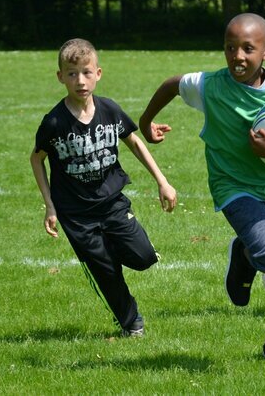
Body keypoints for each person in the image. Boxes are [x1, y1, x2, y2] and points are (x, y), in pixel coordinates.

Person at [139, 13, 265, 358]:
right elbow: (171, 84)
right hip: (233, 188)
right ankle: (244, 253)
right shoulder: (211, 85)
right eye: (230, 48)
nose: (237, 56)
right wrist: (146, 121)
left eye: (247, 49)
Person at [30, 38, 177, 337]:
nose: (80, 80)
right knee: (107, 273)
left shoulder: (109, 110)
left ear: (98, 73)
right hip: (76, 213)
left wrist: (162, 181)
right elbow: (37, 159)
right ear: (60, 77)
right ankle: (131, 323)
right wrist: (50, 205)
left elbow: (134, 141)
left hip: (112, 204)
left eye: (86, 72)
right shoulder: (54, 122)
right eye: (71, 74)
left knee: (144, 257)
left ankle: (110, 247)